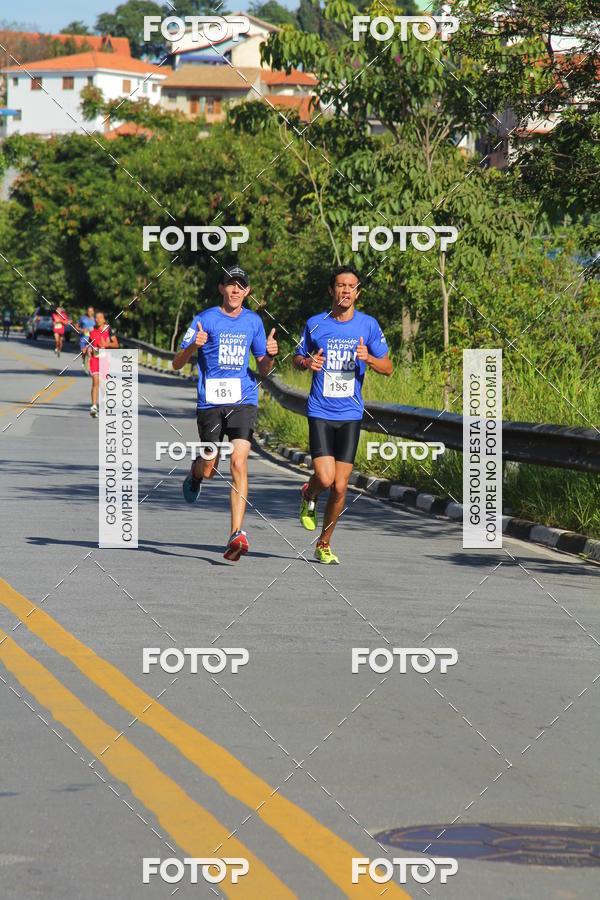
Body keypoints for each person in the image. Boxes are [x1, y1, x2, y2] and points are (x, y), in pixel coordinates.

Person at [172, 266, 278, 562]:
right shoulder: (204, 319)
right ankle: (195, 474)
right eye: (230, 285)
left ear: (247, 292)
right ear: (222, 288)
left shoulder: (254, 321)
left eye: (240, 286)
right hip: (211, 402)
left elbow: (263, 369)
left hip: (243, 399)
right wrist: (193, 345)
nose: (235, 290)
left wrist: (270, 354)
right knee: (210, 466)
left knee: (239, 462)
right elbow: (177, 364)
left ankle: (236, 533)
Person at [293, 265, 393, 564]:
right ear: (331, 290)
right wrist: (305, 363)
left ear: (357, 293)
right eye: (340, 285)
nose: (346, 290)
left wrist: (370, 359)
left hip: (350, 413)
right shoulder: (315, 324)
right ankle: (309, 495)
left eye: (351, 286)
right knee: (324, 478)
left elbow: (388, 367)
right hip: (321, 410)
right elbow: (297, 357)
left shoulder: (368, 326)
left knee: (340, 485)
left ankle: (323, 543)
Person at [87, 311, 119, 417]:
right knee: (95, 381)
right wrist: (87, 351)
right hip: (94, 359)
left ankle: (104, 399)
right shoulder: (92, 331)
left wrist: (106, 344)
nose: (98, 319)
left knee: (103, 384)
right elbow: (89, 344)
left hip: (105, 360)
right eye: (96, 318)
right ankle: (94, 406)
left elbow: (116, 344)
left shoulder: (109, 330)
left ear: (104, 320)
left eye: (100, 318)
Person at [77, 306, 96, 371]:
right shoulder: (83, 319)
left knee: (89, 354)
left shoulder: (95, 320)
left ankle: (87, 369)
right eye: (88, 311)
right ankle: (83, 361)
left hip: (91, 340)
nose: (89, 312)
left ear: (93, 312)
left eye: (91, 311)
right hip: (83, 338)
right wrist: (82, 330)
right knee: (83, 352)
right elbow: (76, 326)